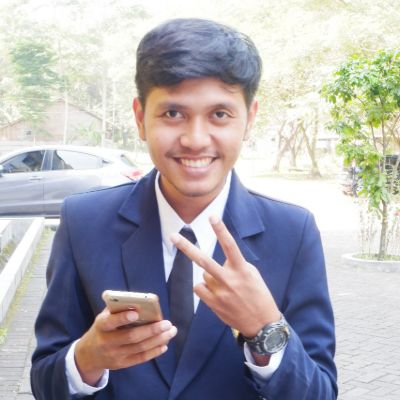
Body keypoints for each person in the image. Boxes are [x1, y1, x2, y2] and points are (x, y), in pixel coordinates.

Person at [31, 18, 337, 399]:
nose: (195, 139)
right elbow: (45, 380)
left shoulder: (293, 233)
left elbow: (321, 392)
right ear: (140, 118)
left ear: (249, 119)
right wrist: (86, 359)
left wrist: (265, 329)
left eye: (219, 114)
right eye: (173, 113)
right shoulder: (83, 222)